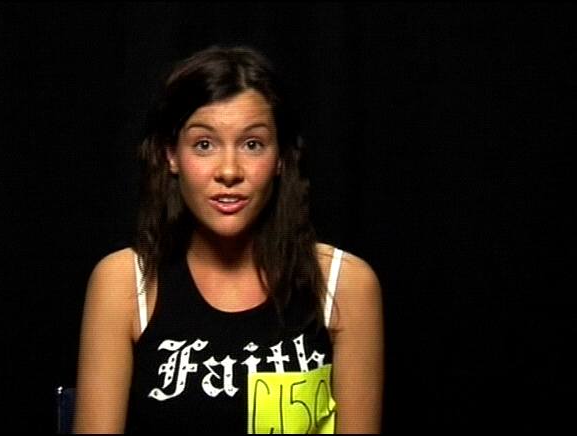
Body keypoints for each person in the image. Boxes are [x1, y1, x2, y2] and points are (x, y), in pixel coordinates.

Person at [73, 44, 383, 434]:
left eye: (253, 144)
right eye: (204, 144)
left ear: (280, 158)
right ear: (171, 154)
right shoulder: (122, 282)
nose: (229, 171)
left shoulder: (345, 284)